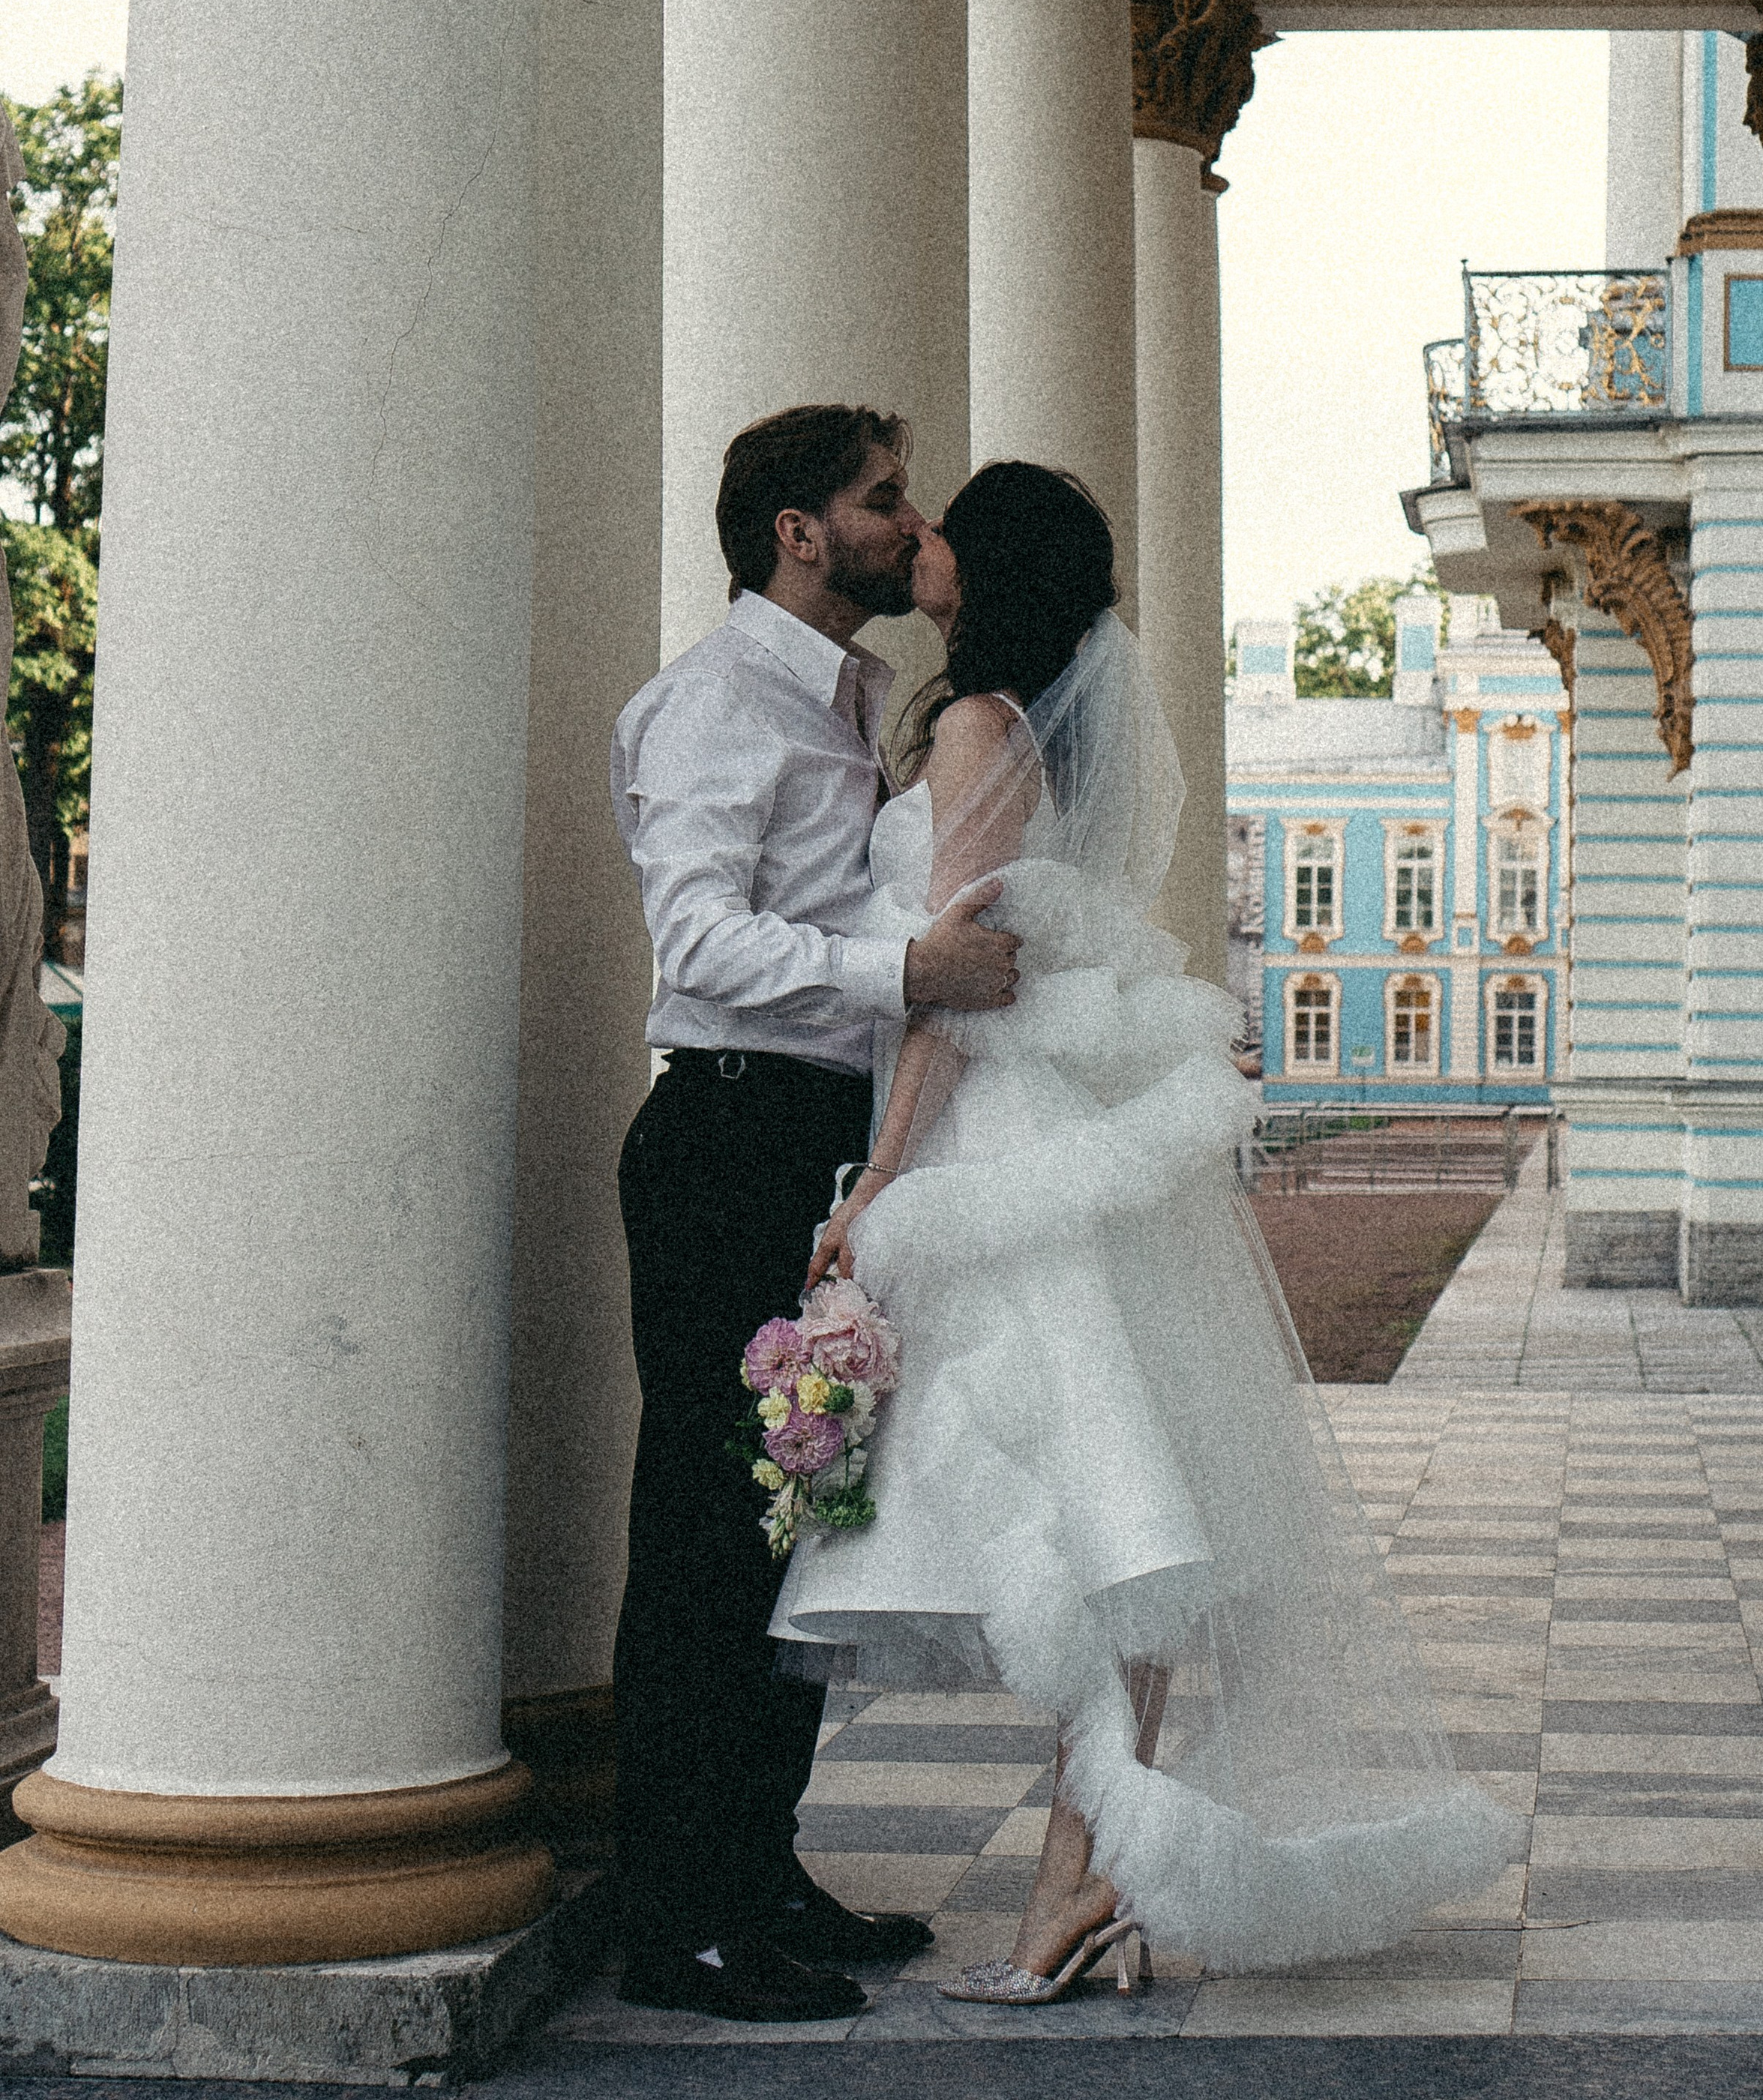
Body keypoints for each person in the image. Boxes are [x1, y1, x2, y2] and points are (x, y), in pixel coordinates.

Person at [777, 462, 1523, 2000]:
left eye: (944, 530)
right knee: (1117, 1514)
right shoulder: (994, 722)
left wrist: (879, 1185)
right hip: (1043, 1133)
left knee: (1112, 1515)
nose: (917, 539)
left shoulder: (980, 730)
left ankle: (1082, 1876)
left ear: (987, 572)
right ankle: (1090, 1872)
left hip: (998, 1136)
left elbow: (952, 981)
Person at [609, 405, 1023, 2024]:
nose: (902, 523)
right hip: (723, 1138)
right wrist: (900, 972)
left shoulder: (842, 695)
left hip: (811, 1146)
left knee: (795, 1519)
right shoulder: (716, 705)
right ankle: (675, 1916)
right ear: (796, 530)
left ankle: (755, 1865)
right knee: (708, 1536)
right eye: (878, 500)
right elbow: (695, 945)